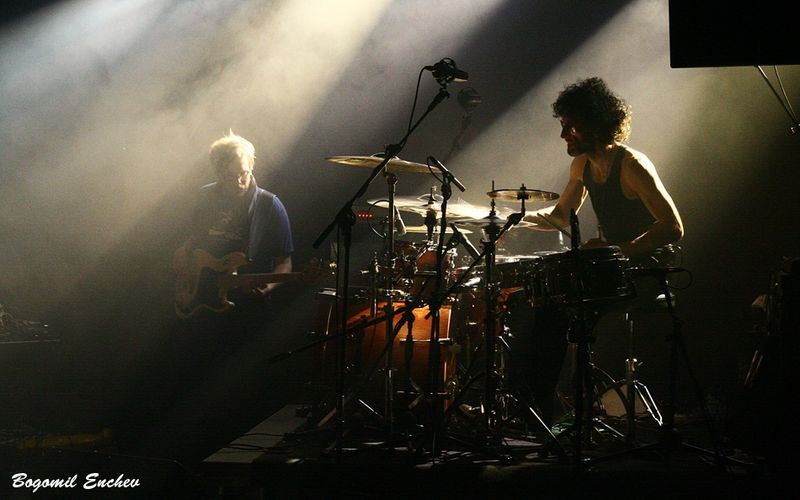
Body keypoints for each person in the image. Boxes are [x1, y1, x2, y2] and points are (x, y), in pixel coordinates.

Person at [510, 77, 684, 427]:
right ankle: (536, 414)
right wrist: (509, 219)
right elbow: (561, 216)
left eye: (570, 126)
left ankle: (552, 414)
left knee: (559, 309)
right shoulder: (583, 165)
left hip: (647, 269)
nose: (563, 134)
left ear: (594, 124)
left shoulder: (632, 165)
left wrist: (618, 251)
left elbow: (673, 227)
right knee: (538, 302)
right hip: (613, 268)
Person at [173, 129, 294, 326]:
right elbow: (192, 239)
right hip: (200, 304)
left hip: (248, 310)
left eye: (243, 173)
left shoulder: (269, 205)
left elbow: (285, 263)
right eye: (229, 176)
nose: (238, 182)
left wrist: (269, 286)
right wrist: (182, 252)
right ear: (217, 174)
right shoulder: (204, 197)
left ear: (251, 166)